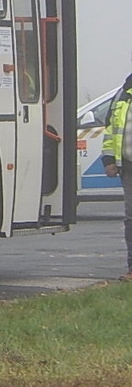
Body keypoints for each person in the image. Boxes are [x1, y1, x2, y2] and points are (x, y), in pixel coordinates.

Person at [100, 72, 132, 281]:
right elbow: (111, 129)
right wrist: (109, 159)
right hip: (128, 166)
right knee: (131, 219)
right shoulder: (123, 92)